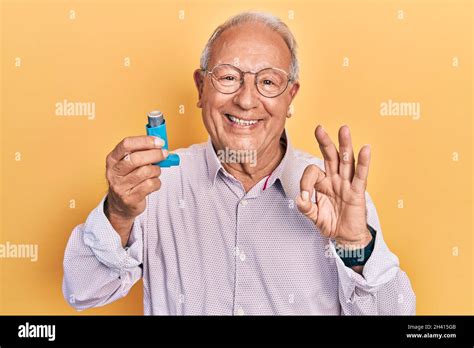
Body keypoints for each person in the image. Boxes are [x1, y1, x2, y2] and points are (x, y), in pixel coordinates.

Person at [63, 11, 415, 315]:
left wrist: (355, 243)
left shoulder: (332, 193)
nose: (247, 100)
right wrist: (119, 214)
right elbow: (82, 290)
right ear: (201, 89)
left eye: (267, 82)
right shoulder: (155, 185)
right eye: (229, 77)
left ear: (290, 97)